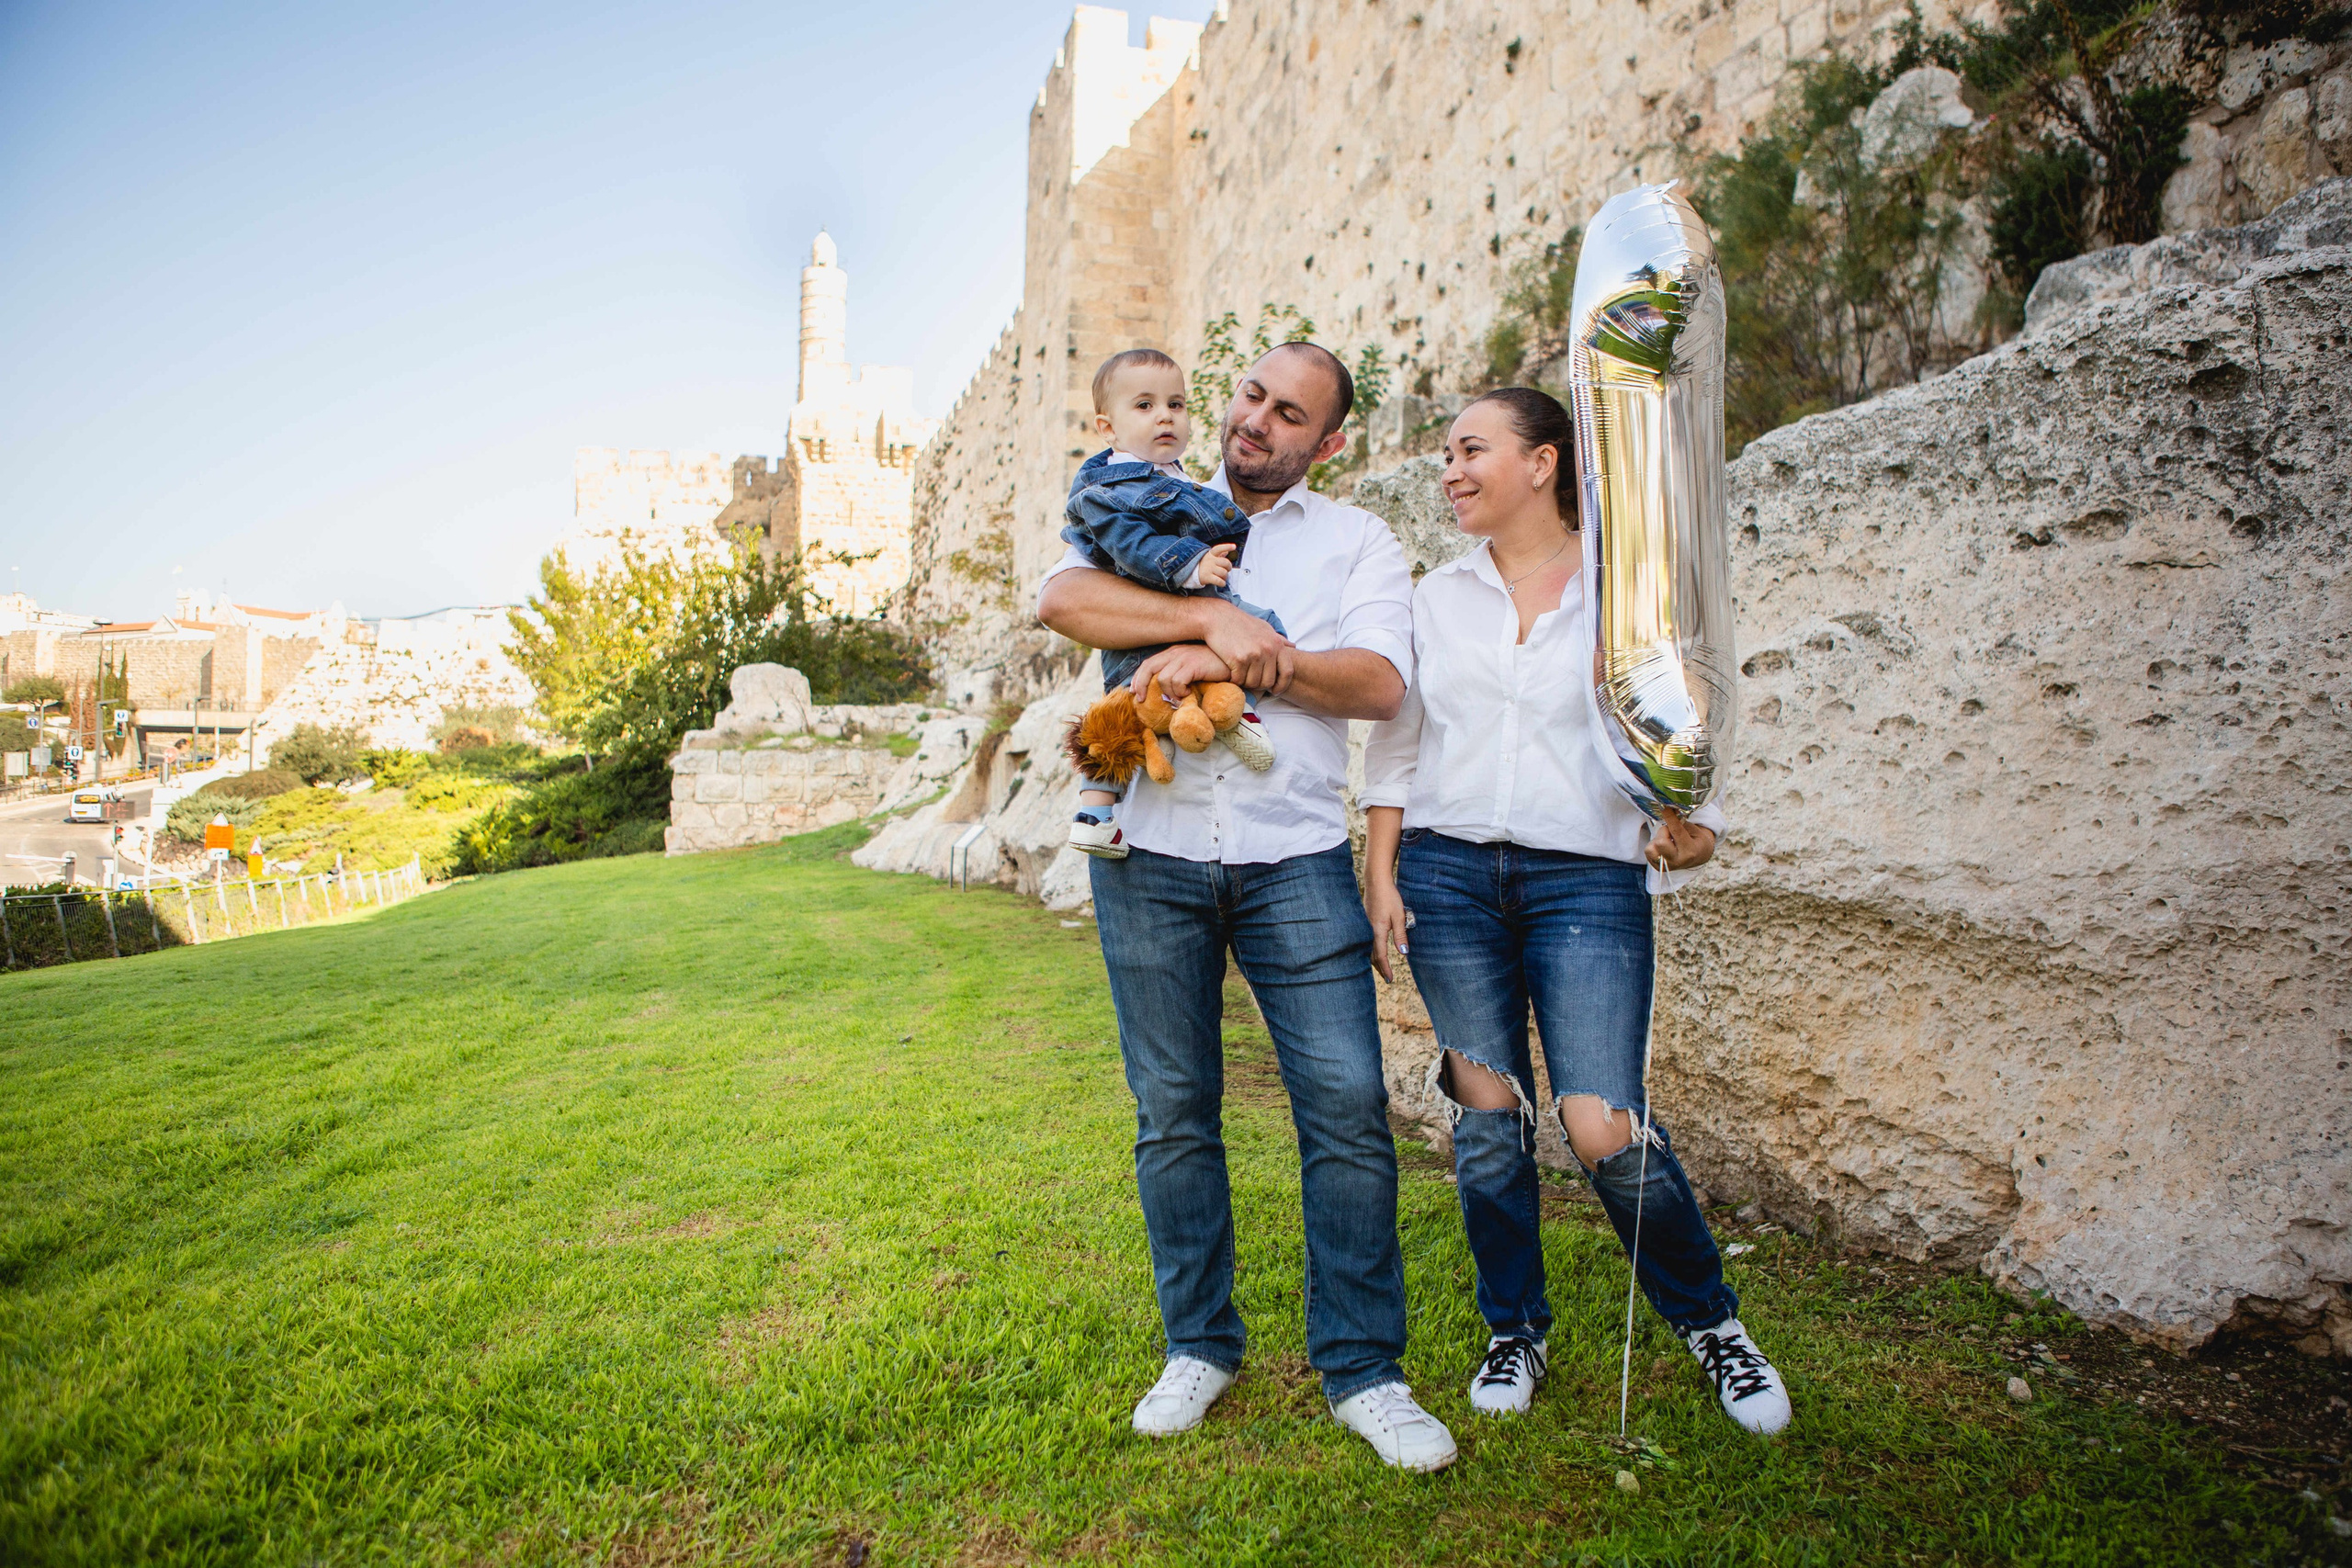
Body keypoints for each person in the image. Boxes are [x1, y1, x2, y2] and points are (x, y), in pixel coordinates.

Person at [1036, 343, 1460, 1472]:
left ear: (1328, 442)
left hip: (1297, 860)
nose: (1255, 421)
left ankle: (1364, 1370)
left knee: (1348, 1107)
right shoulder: (1143, 490)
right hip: (1150, 852)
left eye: (1289, 414)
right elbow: (1062, 596)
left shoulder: (1358, 540)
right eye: (1250, 396)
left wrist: (1252, 651)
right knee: (1173, 1109)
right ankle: (1198, 1346)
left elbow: (1378, 682)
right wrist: (1194, 626)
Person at [1360, 387, 1792, 1437]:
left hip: (1586, 879)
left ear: (1543, 461)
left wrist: (1699, 824)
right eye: (1445, 453)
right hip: (1446, 874)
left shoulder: (1624, 590)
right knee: (1486, 1119)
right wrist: (1379, 874)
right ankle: (1514, 1328)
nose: (1449, 470)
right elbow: (1398, 747)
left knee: (1601, 1125)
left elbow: (1682, 717)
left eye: (1471, 449)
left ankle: (1711, 1325)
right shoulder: (1435, 598)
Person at [1060, 348, 1282, 861]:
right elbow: (1128, 545)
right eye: (1144, 406)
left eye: (1176, 405)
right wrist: (1189, 565)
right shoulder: (1108, 488)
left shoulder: (1166, 477)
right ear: (1107, 428)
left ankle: (1097, 816)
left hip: (1167, 619)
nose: (1165, 416)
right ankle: (1238, 715)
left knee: (1126, 711)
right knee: (1263, 627)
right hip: (1152, 613)